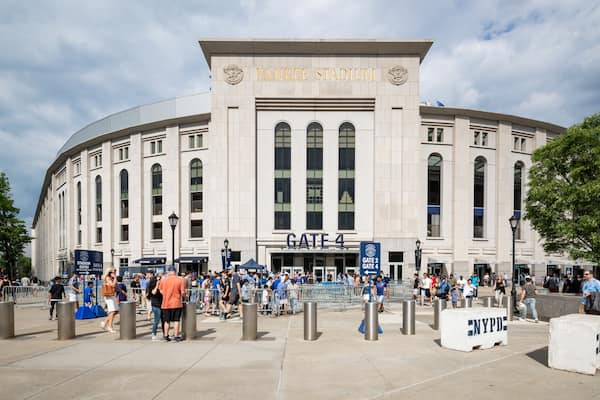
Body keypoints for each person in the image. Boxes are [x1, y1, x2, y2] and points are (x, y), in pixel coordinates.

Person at [158, 266, 186, 341]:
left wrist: (166, 294)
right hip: (176, 303)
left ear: (168, 272)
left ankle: (166, 336)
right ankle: (176, 336)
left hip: (166, 303)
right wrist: (185, 296)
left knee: (166, 321)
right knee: (176, 320)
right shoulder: (180, 280)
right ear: (175, 271)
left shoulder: (163, 280)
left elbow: (160, 290)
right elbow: (183, 292)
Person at [100, 268, 118, 333]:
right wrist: (115, 278)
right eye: (114, 271)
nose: (115, 272)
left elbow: (116, 286)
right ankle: (109, 326)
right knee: (112, 311)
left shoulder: (111, 278)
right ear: (110, 272)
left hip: (112, 295)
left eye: (115, 271)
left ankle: (104, 323)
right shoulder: (107, 278)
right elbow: (113, 285)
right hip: (108, 296)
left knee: (115, 311)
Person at [146, 270, 163, 341]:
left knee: (161, 320)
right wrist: (157, 285)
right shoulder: (153, 282)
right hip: (156, 304)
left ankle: (164, 334)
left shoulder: (151, 282)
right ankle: (154, 334)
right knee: (157, 320)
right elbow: (153, 292)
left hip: (158, 303)